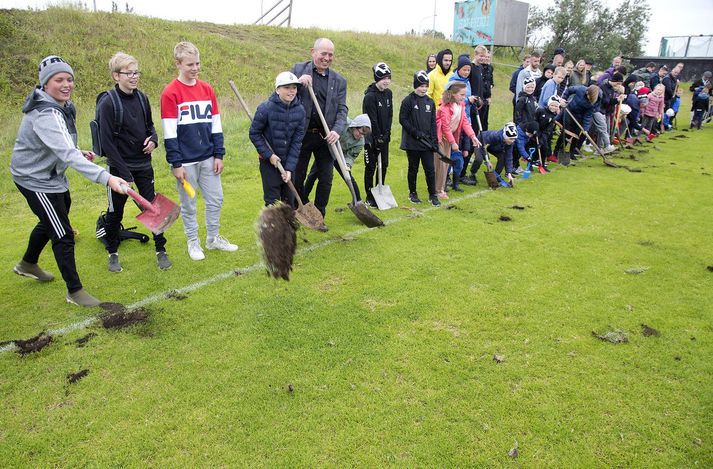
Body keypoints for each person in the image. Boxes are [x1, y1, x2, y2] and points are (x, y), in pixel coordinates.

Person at [11, 55, 128, 306]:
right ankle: (75, 292)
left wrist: (77, 149)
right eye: (59, 80)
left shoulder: (62, 105)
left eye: (69, 79)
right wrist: (107, 178)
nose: (66, 84)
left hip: (52, 175)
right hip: (34, 179)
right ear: (45, 83)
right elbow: (65, 153)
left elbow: (63, 143)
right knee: (62, 233)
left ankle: (27, 263)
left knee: (54, 216)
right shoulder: (45, 113)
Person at [161, 41, 237, 261]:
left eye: (197, 63)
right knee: (189, 204)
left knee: (216, 199)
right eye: (190, 64)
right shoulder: (170, 93)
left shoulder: (206, 89)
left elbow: (215, 124)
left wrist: (219, 154)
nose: (195, 68)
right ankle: (193, 242)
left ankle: (212, 239)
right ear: (178, 63)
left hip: (208, 157)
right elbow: (169, 132)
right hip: (185, 162)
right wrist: (176, 164)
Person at [98, 52, 168, 273]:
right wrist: (125, 174)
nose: (134, 77)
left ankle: (161, 250)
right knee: (114, 212)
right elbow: (106, 143)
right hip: (118, 170)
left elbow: (150, 127)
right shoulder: (108, 102)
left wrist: (154, 141)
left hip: (143, 165)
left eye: (136, 72)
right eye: (129, 73)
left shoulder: (142, 98)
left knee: (152, 208)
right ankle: (112, 252)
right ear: (116, 75)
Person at [291, 38, 348, 217]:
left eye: (330, 55)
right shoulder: (298, 70)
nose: (327, 58)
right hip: (302, 135)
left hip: (326, 136)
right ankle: (298, 208)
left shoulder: (339, 81)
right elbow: (282, 95)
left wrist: (336, 130)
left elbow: (342, 109)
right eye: (323, 53)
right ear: (313, 52)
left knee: (326, 177)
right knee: (298, 175)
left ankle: (319, 213)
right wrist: (298, 83)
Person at [249, 71, 306, 207]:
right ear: (277, 89)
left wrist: (290, 168)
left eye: (294, 88)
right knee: (272, 203)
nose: (291, 91)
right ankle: (272, 228)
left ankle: (288, 228)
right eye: (287, 88)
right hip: (269, 163)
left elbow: (297, 142)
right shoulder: (265, 108)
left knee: (289, 202)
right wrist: (269, 155)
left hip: (288, 161)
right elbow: (254, 133)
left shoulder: (300, 111)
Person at [304, 114, 371, 203]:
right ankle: (303, 197)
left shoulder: (360, 143)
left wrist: (347, 165)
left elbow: (351, 156)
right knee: (313, 175)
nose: (361, 136)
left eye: (364, 135)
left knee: (348, 178)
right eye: (360, 132)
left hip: (340, 157)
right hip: (326, 152)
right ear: (355, 127)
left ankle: (357, 201)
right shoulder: (343, 123)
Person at [400, 71, 439, 206]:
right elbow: (403, 120)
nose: (424, 89)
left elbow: (433, 123)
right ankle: (413, 193)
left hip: (427, 143)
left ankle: (433, 195)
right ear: (415, 85)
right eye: (421, 86)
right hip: (412, 143)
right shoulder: (408, 100)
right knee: (413, 168)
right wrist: (415, 132)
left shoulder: (430, 102)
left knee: (430, 169)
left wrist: (435, 141)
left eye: (426, 86)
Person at [435, 81, 480, 196]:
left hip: (449, 138)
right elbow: (445, 127)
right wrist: (453, 143)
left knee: (445, 164)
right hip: (440, 139)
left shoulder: (461, 105)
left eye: (465, 95)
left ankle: (440, 188)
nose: (464, 97)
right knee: (441, 164)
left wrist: (473, 136)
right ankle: (438, 190)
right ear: (453, 94)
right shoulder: (444, 108)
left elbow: (465, 122)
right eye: (462, 95)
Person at [362, 62, 393, 208]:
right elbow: (371, 119)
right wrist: (377, 138)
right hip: (371, 138)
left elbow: (390, 115)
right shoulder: (370, 96)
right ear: (377, 79)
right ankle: (369, 195)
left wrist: (386, 135)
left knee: (384, 164)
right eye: (383, 78)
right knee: (371, 165)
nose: (386, 81)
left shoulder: (388, 94)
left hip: (384, 138)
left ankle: (379, 190)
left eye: (388, 78)